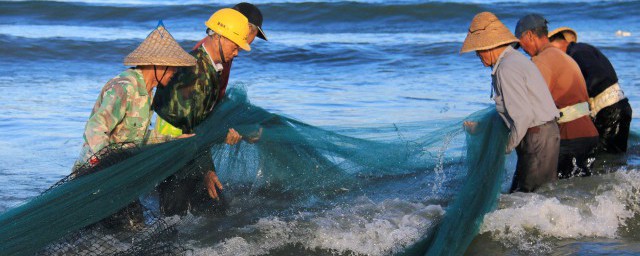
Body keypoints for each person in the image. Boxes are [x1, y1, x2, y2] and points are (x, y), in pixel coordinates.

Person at [76, 23, 196, 229]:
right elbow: (95, 127)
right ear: (158, 65)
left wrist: (173, 140)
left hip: (120, 177)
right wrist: (104, 166)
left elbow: (137, 137)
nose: (176, 72)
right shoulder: (125, 87)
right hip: (97, 178)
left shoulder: (147, 93)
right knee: (127, 230)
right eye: (173, 66)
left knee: (132, 229)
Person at [151, 7, 259, 216]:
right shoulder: (196, 73)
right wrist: (207, 170)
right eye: (235, 46)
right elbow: (192, 128)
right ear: (218, 37)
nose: (236, 52)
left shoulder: (208, 67)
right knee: (176, 218)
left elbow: (202, 118)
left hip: (187, 151)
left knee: (208, 213)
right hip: (174, 154)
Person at [461, 12, 560, 192]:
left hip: (537, 137)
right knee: (530, 196)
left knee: (529, 199)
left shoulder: (506, 68)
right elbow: (513, 111)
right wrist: (482, 128)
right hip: (542, 135)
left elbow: (523, 116)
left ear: (488, 46)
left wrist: (504, 148)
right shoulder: (513, 60)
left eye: (478, 50)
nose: (477, 55)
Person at [515, 14, 600, 179]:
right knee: (580, 193)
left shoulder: (541, 61)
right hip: (589, 134)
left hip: (570, 136)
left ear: (530, 36)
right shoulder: (564, 57)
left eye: (521, 43)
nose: (523, 50)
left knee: (555, 193)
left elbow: (531, 104)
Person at [548, 26, 632, 154]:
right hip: (619, 106)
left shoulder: (576, 53)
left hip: (610, 111)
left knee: (604, 158)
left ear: (557, 43)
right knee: (615, 156)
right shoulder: (584, 49)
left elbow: (597, 76)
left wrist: (581, 97)